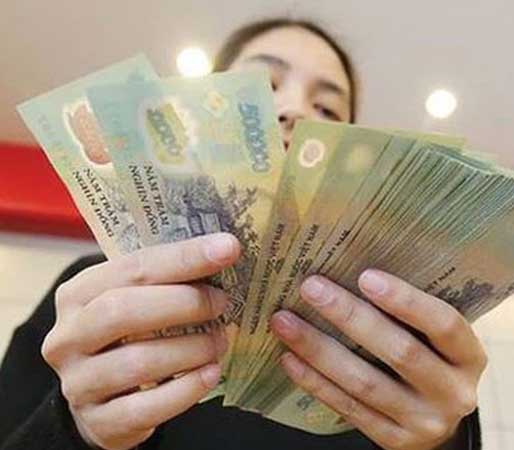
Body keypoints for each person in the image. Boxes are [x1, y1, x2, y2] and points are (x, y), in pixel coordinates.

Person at [0, 18, 485, 450]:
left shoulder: (387, 334)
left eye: (328, 109)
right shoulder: (96, 298)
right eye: (264, 85)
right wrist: (78, 430)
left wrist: (443, 440)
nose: (294, 109)